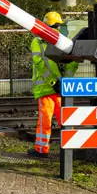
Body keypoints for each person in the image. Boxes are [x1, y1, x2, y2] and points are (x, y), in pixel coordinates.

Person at [28, 12, 65, 158]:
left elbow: (39, 64)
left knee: (45, 121)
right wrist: (65, 81)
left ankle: (41, 150)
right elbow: (72, 63)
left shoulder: (38, 41)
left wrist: (52, 82)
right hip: (62, 88)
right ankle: (71, 148)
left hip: (46, 88)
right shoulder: (64, 41)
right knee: (65, 119)